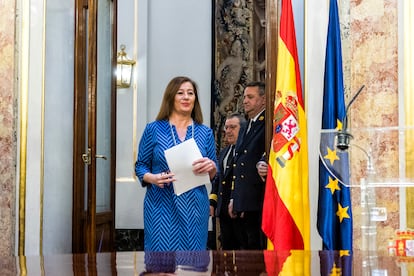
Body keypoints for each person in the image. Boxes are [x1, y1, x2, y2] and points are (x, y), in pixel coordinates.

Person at [135, 76, 218, 251]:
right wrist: (153, 178)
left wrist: (211, 167)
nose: (186, 97)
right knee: (160, 261)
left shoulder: (205, 132)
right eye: (180, 93)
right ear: (171, 97)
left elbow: (214, 173)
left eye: (190, 93)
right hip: (160, 205)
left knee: (193, 263)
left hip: (195, 206)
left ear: (195, 99)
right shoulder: (153, 129)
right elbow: (140, 166)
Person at [229, 81, 268, 250]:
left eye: (250, 97)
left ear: (263, 100)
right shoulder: (245, 126)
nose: (245, 101)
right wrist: (234, 198)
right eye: (244, 97)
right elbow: (238, 165)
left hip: (259, 200)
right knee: (245, 250)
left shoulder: (268, 124)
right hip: (244, 201)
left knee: (256, 251)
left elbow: (271, 151)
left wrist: (264, 162)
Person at [209, 113, 246, 250]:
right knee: (226, 251)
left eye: (232, 127)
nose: (228, 131)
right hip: (223, 212)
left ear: (242, 129)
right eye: (226, 127)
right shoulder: (224, 152)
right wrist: (212, 202)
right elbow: (218, 179)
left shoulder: (245, 152)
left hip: (240, 212)